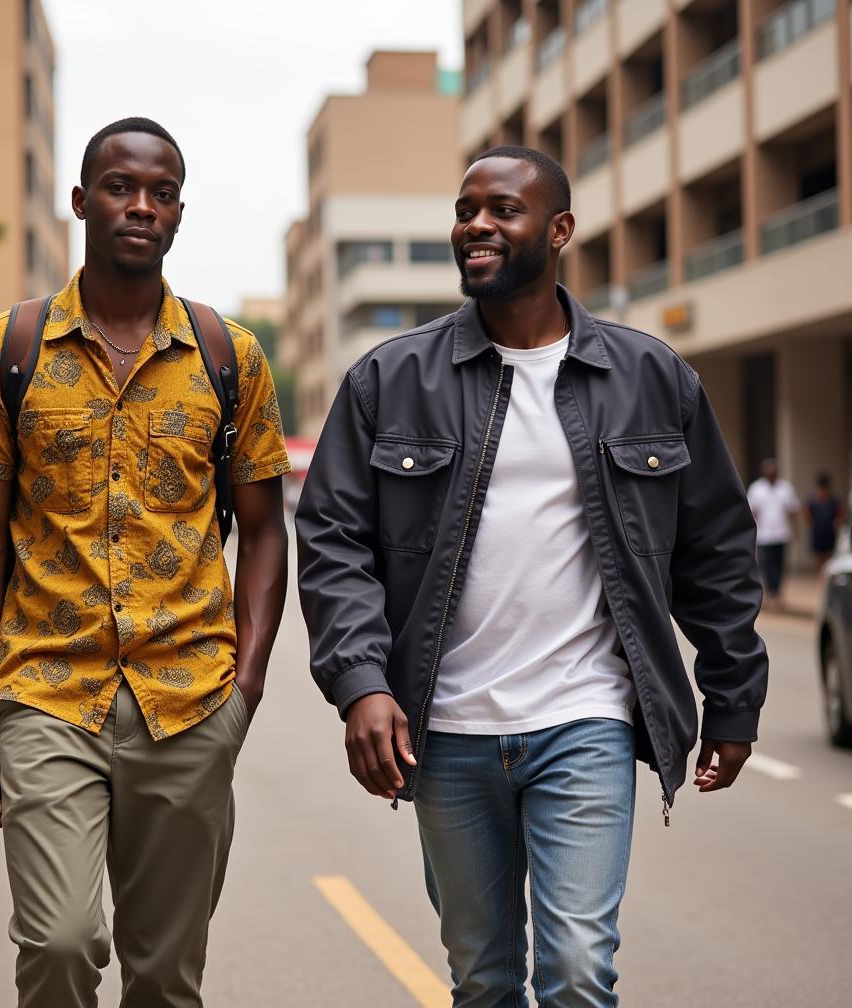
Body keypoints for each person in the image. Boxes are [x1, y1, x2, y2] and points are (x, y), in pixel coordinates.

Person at [296, 146, 768, 1007]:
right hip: (446, 731)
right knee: (483, 980)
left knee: (579, 971)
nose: (476, 224)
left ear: (558, 230)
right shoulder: (389, 379)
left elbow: (718, 551)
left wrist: (733, 697)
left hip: (583, 716)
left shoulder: (650, 376)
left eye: (502, 209)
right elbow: (333, 543)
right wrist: (362, 684)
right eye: (466, 208)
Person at [0, 117, 290, 1008]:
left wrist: (243, 689)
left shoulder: (229, 357)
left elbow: (263, 527)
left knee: (166, 978)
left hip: (189, 698)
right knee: (59, 944)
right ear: (81, 201)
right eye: (120, 187)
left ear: (178, 213)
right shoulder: (6, 351)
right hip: (46, 692)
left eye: (160, 193)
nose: (141, 205)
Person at [747, 458, 800, 610]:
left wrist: (796, 532)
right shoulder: (756, 488)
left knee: (779, 565)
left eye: (773, 472)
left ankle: (777, 592)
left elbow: (792, 511)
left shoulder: (785, 488)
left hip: (781, 534)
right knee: (766, 565)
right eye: (768, 472)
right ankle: (770, 593)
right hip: (764, 535)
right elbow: (751, 511)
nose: (771, 475)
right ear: (764, 473)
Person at [805, 471, 845, 573]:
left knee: (829, 556)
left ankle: (827, 573)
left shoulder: (834, 500)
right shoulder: (813, 499)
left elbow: (840, 514)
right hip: (818, 531)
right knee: (819, 556)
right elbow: (807, 513)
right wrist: (811, 523)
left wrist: (836, 523)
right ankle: (820, 573)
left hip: (830, 532)